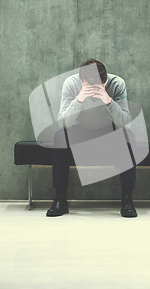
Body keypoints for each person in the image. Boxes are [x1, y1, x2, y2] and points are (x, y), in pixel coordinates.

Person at [46, 58, 138, 218]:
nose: (94, 92)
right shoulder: (71, 84)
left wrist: (108, 100)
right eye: (90, 86)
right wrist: (80, 98)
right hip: (80, 131)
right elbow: (62, 124)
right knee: (59, 136)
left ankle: (127, 199)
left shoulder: (117, 84)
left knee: (128, 135)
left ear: (105, 80)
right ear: (82, 81)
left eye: (99, 85)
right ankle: (60, 198)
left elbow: (126, 124)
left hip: (107, 132)